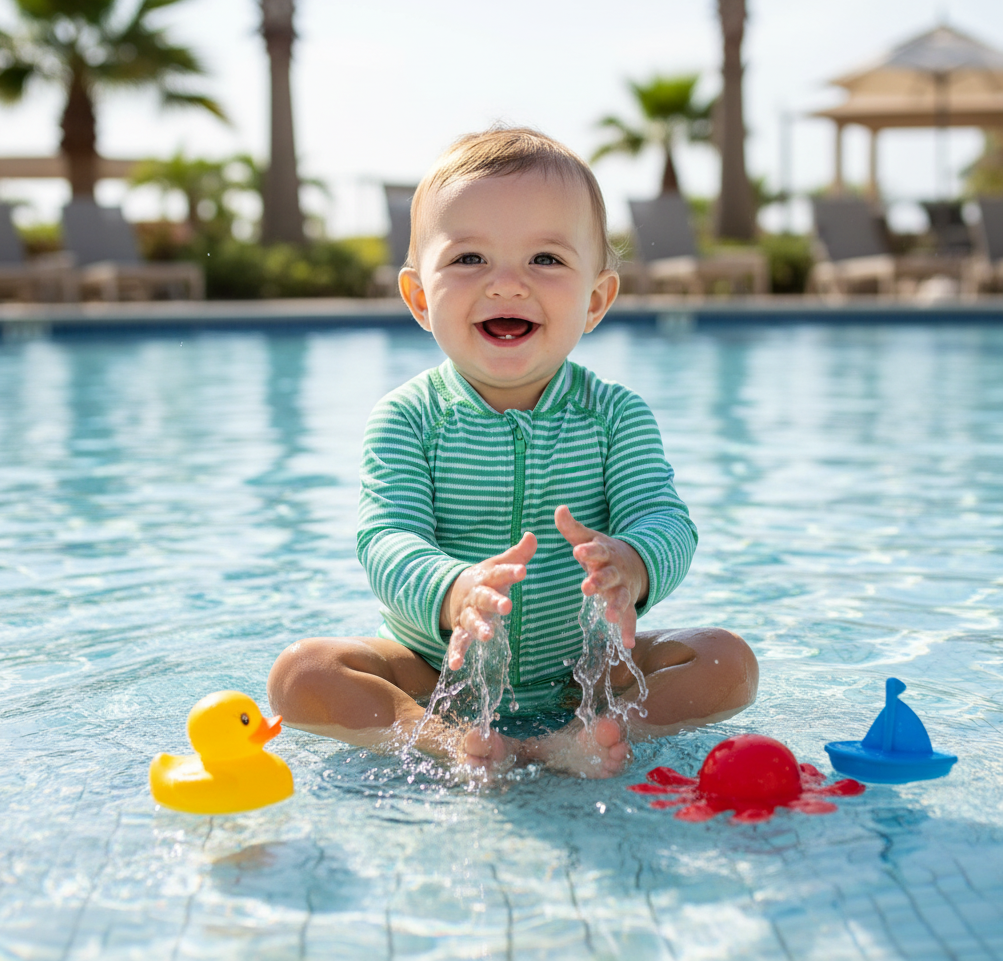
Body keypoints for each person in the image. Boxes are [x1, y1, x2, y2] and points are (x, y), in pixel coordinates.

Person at [267, 127, 758, 777]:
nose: (506, 284)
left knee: (727, 663)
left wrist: (632, 564)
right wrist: (453, 591)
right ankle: (442, 738)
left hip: (582, 673)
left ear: (596, 300)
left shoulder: (616, 416)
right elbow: (385, 539)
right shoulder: (408, 419)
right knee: (301, 673)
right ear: (419, 297)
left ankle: (597, 732)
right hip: (436, 664)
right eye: (469, 259)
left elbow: (666, 520)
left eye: (546, 261)